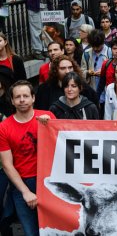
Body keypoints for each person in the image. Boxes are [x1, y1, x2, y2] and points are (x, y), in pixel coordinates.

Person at [0, 81, 55, 236]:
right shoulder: (4, 127)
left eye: (26, 96)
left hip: (48, 181)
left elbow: (61, 147)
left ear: (33, 98)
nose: (22, 100)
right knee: (31, 231)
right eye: (18, 97)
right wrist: (25, 192)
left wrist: (50, 125)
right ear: (12, 101)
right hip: (22, 183)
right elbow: (7, 164)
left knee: (54, 229)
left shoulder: (48, 117)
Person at [35, 55, 99, 111]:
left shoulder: (83, 87)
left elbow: (94, 110)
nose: (67, 71)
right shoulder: (44, 89)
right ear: (55, 70)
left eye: (70, 67)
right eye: (63, 68)